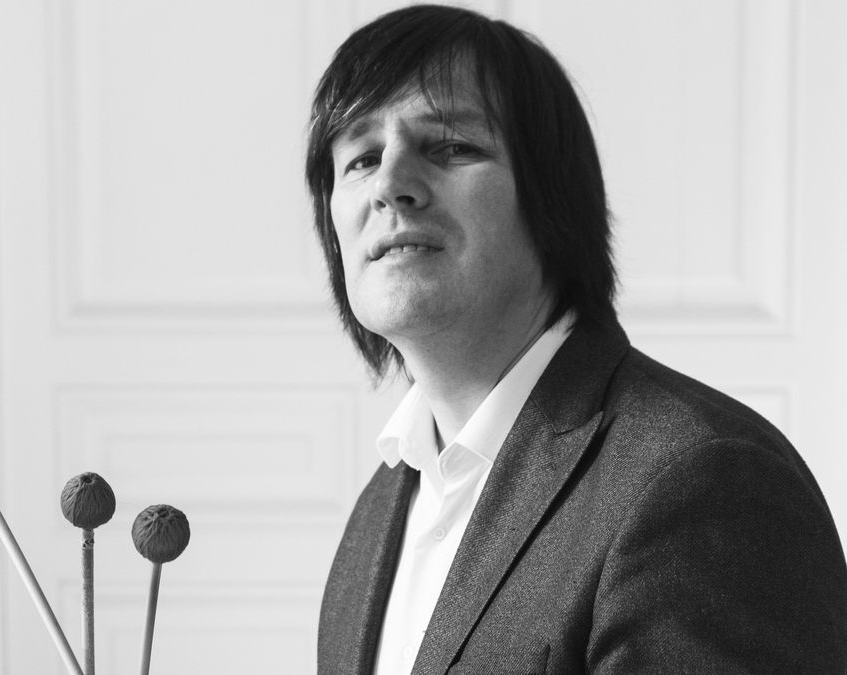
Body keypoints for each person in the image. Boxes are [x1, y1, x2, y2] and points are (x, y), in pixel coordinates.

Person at [307, 5, 847, 674]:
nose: (390, 185)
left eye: (449, 146)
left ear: (552, 198)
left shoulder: (705, 481)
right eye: (361, 159)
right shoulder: (377, 515)